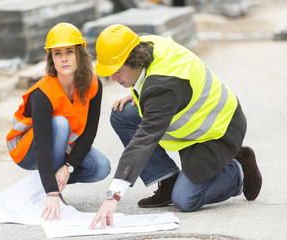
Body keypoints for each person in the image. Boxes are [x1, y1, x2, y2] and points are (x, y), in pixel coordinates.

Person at [89, 24, 262, 229]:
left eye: (117, 71)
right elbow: (155, 84)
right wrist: (138, 92)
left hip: (217, 131)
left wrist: (113, 196)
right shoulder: (141, 44)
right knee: (123, 115)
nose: (113, 78)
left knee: (186, 200)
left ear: (134, 60)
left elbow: (144, 140)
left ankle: (237, 169)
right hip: (190, 116)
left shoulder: (162, 88)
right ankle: (167, 179)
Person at [6, 23, 111, 221]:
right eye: (57, 53)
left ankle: (45, 182)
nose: (63, 58)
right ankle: (48, 189)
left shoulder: (92, 84)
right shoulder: (43, 93)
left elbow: (89, 133)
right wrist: (52, 193)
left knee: (101, 167)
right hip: (28, 151)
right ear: (51, 58)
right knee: (60, 123)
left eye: (69, 52)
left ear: (79, 54)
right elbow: (42, 144)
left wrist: (68, 167)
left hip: (61, 149)